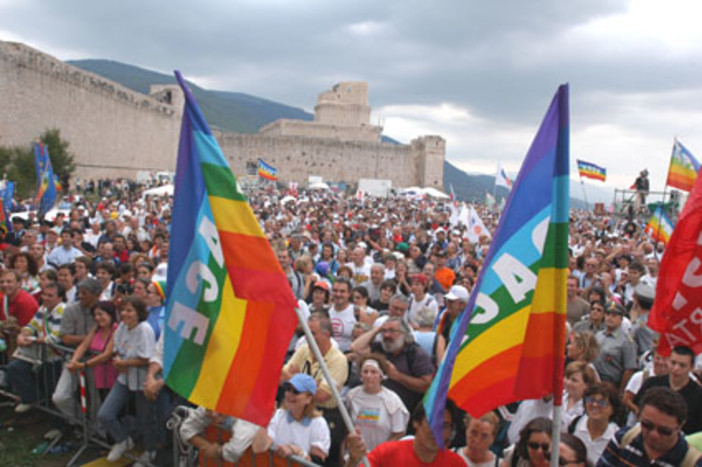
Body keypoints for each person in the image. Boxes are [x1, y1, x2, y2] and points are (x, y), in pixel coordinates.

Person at [98, 297, 156, 464]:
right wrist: (118, 361)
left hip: (142, 381)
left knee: (146, 420)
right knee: (105, 414)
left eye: (129, 311)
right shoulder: (122, 327)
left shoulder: (145, 329)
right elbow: (116, 349)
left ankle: (150, 453)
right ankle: (123, 440)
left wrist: (126, 363)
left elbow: (148, 358)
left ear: (139, 313)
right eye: (123, 310)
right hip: (124, 379)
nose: (125, 314)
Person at [598, 387, 702, 466]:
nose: (654, 435)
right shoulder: (623, 439)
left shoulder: (692, 462)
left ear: (679, 427)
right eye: (647, 425)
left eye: (664, 431)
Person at [345, 399, 465, 466]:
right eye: (431, 422)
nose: (437, 431)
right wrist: (353, 461)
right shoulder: (385, 454)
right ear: (416, 422)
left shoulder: (456, 464)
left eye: (444, 426)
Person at [351, 316, 434, 412]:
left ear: (404, 333)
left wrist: (397, 376)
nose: (386, 335)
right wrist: (378, 329)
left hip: (406, 410)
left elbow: (427, 386)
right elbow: (355, 347)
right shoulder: (380, 348)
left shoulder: (415, 354)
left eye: (392, 331)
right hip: (379, 408)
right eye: (384, 331)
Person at [7, 282, 65, 412]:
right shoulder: (43, 308)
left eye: (50, 295)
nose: (45, 298)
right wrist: (23, 335)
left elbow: (56, 337)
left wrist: (32, 340)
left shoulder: (63, 310)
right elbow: (31, 325)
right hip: (40, 353)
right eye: (44, 294)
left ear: (60, 298)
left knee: (53, 389)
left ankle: (57, 420)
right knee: (15, 367)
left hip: (56, 357)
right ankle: (32, 398)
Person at [344, 354, 409, 451]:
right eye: (365, 372)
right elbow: (346, 427)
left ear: (381, 376)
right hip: (357, 456)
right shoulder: (352, 396)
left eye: (373, 372)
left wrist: (380, 452)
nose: (369, 376)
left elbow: (399, 432)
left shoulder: (392, 400)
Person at [634, 345, 702, 435]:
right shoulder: (652, 383)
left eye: (682, 365)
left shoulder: (698, 395)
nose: (676, 368)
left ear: (691, 367)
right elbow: (638, 408)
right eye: (673, 363)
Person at [267, 373, 330, 463]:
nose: (290, 395)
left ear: (309, 398)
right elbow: (265, 443)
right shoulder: (277, 415)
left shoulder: (319, 423)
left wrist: (299, 452)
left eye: (296, 392)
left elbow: (317, 460)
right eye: (288, 390)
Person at [65, 301, 118, 398]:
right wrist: (74, 361)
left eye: (101, 314)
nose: (97, 318)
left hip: (111, 375)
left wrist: (84, 365)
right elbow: (84, 345)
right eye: (95, 315)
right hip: (98, 375)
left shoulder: (116, 330)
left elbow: (107, 354)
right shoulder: (97, 329)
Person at [180, 406, 270, 462]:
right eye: (209, 410)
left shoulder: (247, 413)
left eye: (219, 412)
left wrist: (218, 452)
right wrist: (207, 447)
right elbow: (186, 429)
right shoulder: (209, 403)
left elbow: (235, 450)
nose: (213, 414)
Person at [569, 383, 621, 465]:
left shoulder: (617, 437)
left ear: (613, 409)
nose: (595, 405)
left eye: (602, 402)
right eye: (591, 400)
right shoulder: (574, 424)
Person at [593, 300, 637, 391]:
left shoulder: (626, 341)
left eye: (614, 316)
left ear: (620, 319)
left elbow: (629, 369)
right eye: (608, 314)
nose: (610, 318)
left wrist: (621, 391)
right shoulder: (598, 335)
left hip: (611, 383)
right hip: (594, 380)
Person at [562, 361, 598, 430]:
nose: (568, 382)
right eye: (567, 377)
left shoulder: (590, 406)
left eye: (574, 380)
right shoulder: (558, 397)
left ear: (587, 385)